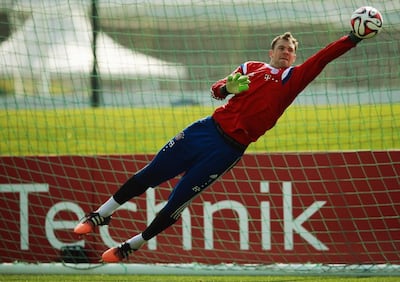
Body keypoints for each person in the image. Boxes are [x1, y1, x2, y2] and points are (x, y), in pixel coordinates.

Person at [74, 30, 366, 263]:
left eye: (290, 50)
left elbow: (324, 57)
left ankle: (132, 245)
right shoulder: (251, 68)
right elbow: (216, 90)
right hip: (204, 130)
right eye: (281, 48)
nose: (286, 53)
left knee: (177, 202)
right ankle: (101, 213)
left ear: (294, 57)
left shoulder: (293, 79)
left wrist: (352, 38)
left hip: (228, 150)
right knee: (151, 173)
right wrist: (228, 88)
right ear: (271, 52)